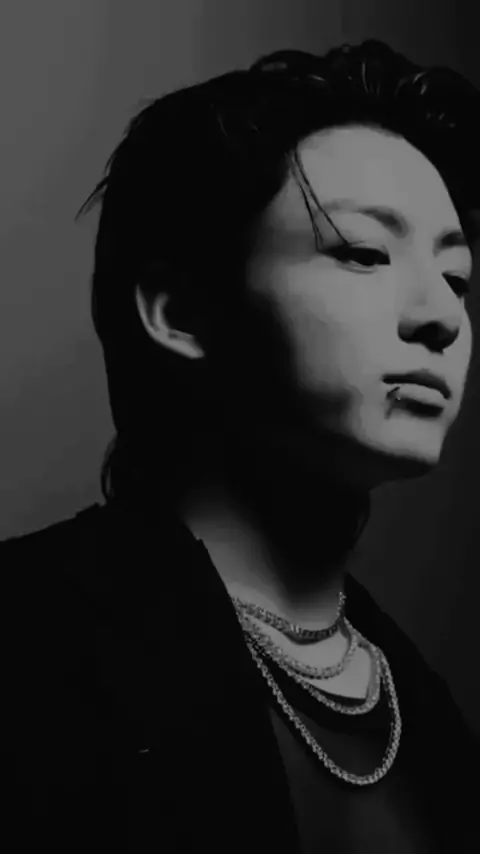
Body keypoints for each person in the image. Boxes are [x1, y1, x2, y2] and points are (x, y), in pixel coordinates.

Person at [1, 38, 479, 852]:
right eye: (364, 252)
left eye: (458, 278)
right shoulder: (26, 642)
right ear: (181, 313)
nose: (441, 316)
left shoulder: (427, 716)